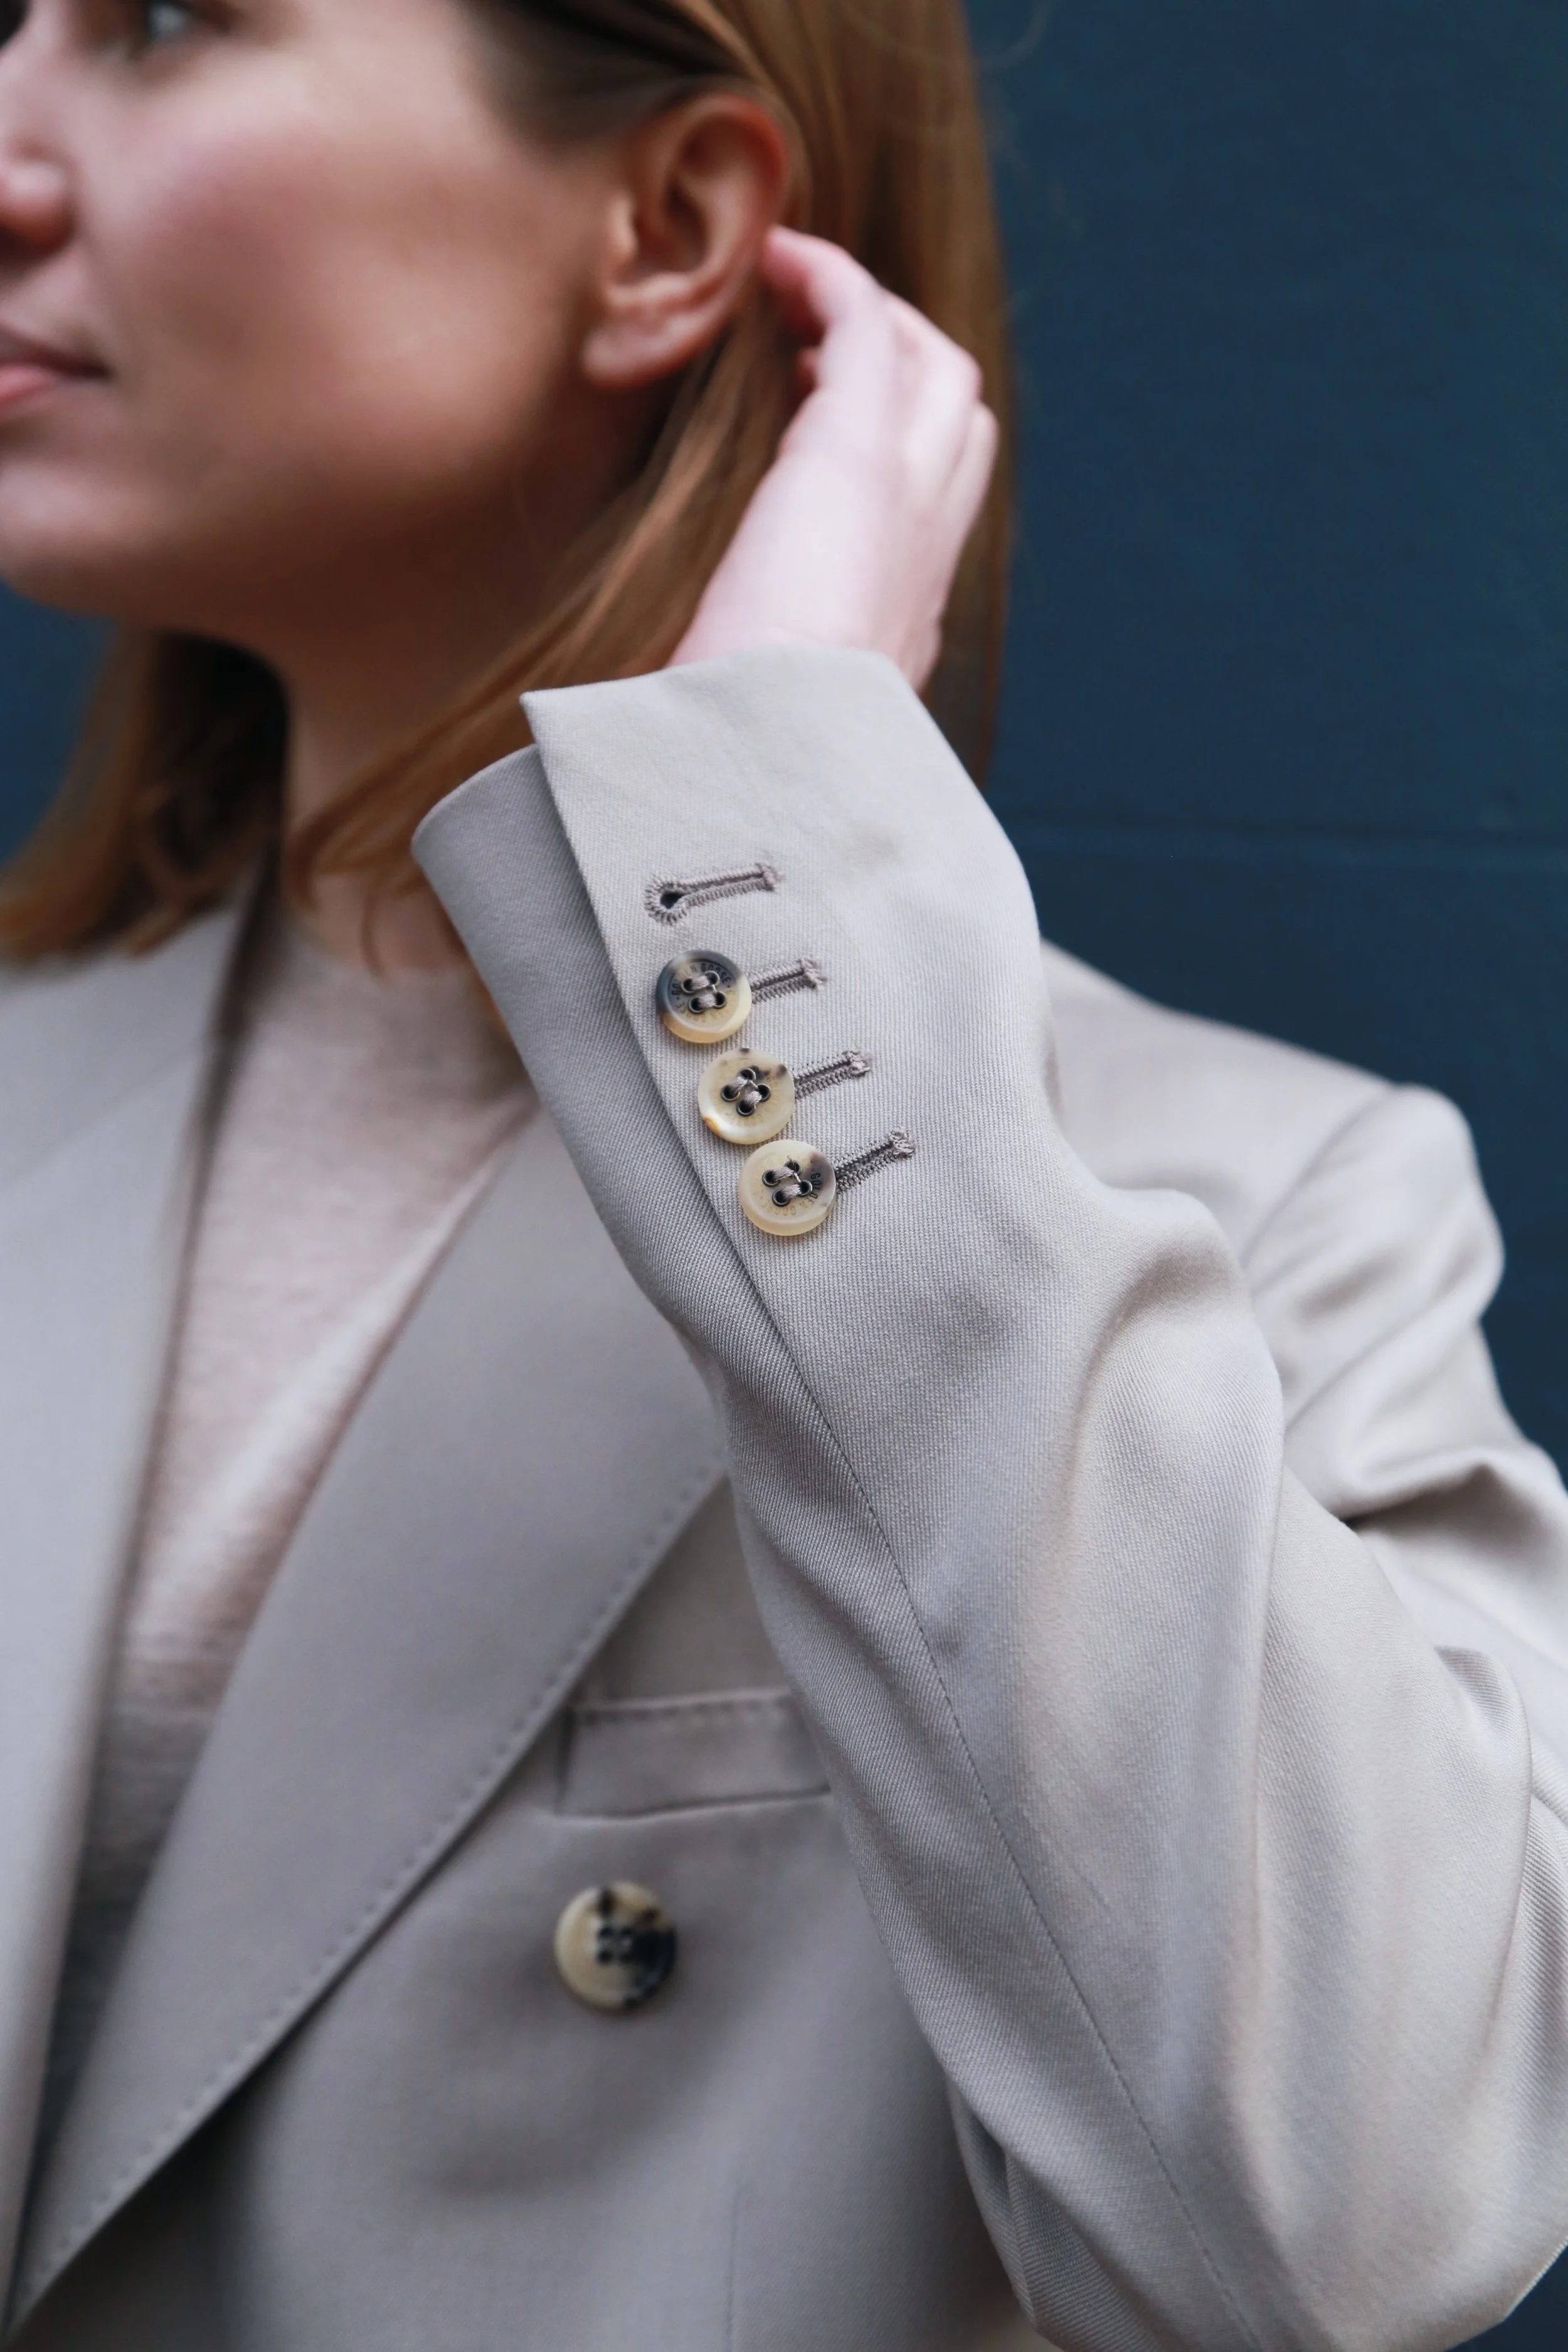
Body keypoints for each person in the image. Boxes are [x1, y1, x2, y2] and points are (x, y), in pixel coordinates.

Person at [0, 0, 1565, 2344]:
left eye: (154, 21)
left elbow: (1349, 2218)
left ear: (671, 227)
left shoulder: (1261, 1203)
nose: (10, 142)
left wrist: (756, 855)